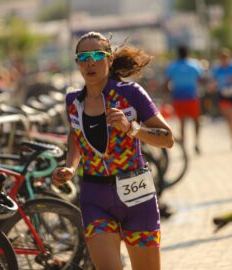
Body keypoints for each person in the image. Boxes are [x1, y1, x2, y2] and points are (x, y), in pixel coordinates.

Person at [52, 31, 174, 270]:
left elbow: (168, 138)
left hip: (136, 193)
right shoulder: (72, 101)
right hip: (95, 195)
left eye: (97, 55)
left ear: (109, 59)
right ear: (77, 63)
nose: (90, 62)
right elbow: (75, 136)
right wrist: (70, 166)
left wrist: (131, 128)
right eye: (84, 57)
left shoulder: (130, 94)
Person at [165, 45, 204, 154]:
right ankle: (197, 143)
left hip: (178, 98)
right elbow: (201, 79)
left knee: (182, 122)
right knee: (196, 121)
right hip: (192, 97)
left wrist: (169, 94)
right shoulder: (195, 64)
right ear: (188, 53)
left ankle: (184, 146)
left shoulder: (172, 66)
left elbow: (166, 83)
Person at [210, 47, 232, 150]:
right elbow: (214, 82)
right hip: (224, 95)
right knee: (230, 119)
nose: (224, 60)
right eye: (222, 58)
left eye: (226, 58)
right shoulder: (217, 70)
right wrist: (212, 87)